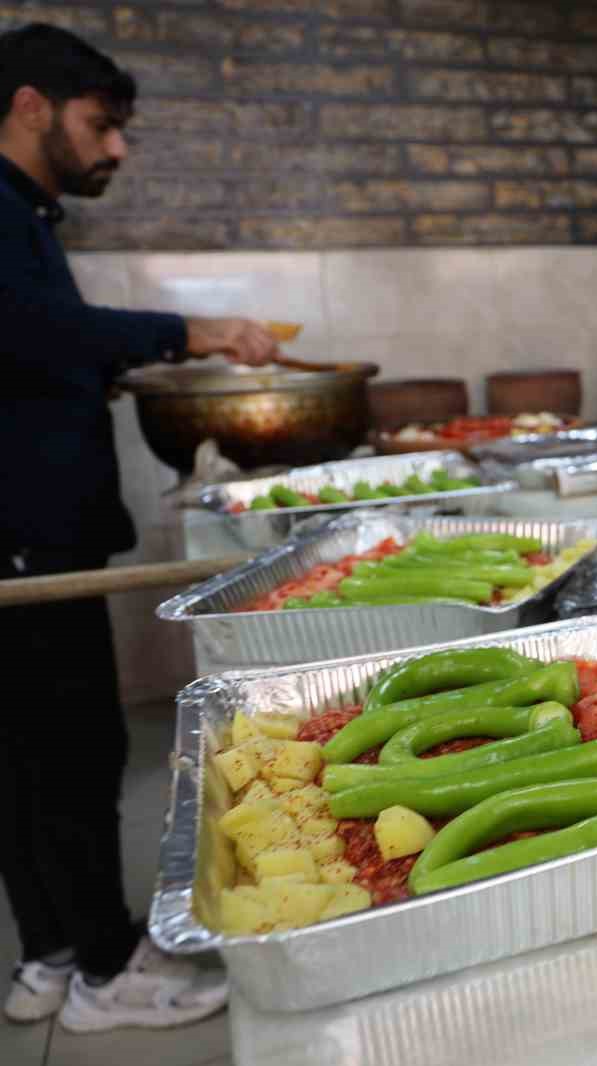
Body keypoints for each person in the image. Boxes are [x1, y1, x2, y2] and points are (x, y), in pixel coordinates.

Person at [0, 24, 280, 1032]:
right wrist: (187, 331)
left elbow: (28, 350)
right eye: (101, 125)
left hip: (26, 523)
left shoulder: (24, 214)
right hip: (28, 529)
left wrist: (95, 375)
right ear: (30, 106)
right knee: (71, 747)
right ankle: (108, 973)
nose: (116, 147)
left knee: (23, 752)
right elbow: (26, 328)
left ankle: (52, 953)